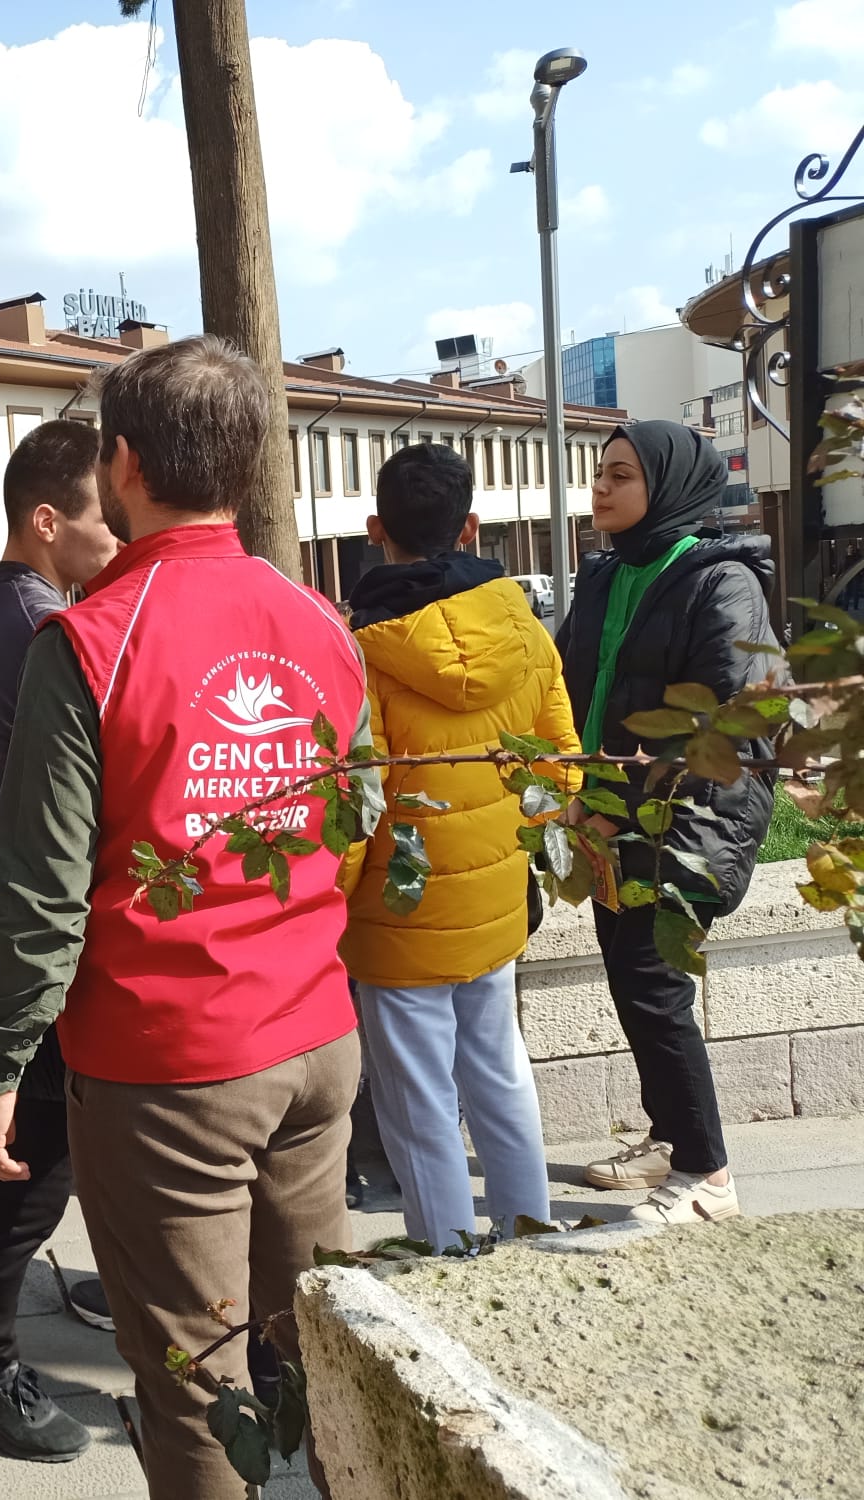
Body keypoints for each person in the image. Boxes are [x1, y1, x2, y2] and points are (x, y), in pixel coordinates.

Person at [0, 335, 375, 1497]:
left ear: (124, 467)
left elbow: (41, 889)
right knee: (324, 1342)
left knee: (196, 1382)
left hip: (169, 1068)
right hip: (313, 1040)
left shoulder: (91, 639)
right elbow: (356, 816)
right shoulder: (317, 621)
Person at [0, 421, 120, 1462]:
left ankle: (115, 1283)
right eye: (103, 517)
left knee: (65, 1148)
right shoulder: (51, 633)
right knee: (28, 1168)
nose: (117, 536)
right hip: (25, 947)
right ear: (47, 521)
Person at [341, 443, 578, 1251]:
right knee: (501, 1075)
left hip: (398, 915)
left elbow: (359, 803)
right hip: (495, 902)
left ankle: (448, 1260)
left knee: (418, 1106)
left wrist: (332, 901)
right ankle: (529, 1236)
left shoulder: (364, 650)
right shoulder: (524, 627)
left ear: (376, 530)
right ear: (470, 527)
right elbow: (561, 768)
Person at [557, 420, 781, 1226]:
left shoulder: (721, 583)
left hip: (685, 819)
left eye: (621, 475)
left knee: (653, 985)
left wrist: (617, 812)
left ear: (670, 485)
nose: (601, 487)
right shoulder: (606, 575)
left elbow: (730, 724)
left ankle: (708, 1176)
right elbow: (570, 687)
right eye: (600, 472)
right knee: (632, 980)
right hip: (610, 817)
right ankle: (669, 1139)